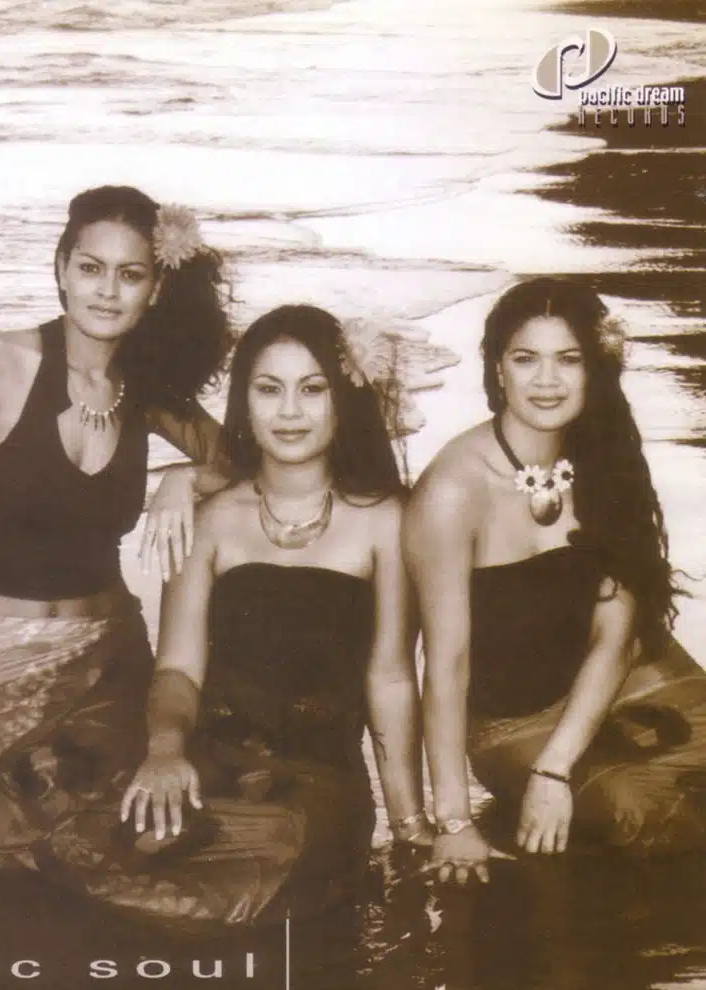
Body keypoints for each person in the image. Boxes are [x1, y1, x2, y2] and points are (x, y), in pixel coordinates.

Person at [25, 304, 433, 930]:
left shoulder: (386, 519)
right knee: (83, 841)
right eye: (269, 389)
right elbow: (179, 670)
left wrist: (410, 826)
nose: (289, 411)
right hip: (210, 764)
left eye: (312, 389)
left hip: (316, 788)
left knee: (245, 882)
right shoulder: (210, 520)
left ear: (343, 398)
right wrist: (166, 752)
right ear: (244, 401)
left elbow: (392, 679)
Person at [0, 185, 233, 857]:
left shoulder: (144, 386)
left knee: (117, 819)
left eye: (130, 274)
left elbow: (243, 462)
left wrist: (186, 478)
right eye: (90, 268)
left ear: (155, 289)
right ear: (61, 270)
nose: (107, 291)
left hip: (107, 658)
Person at [405, 277, 706, 885]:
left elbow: (616, 636)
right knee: (644, 814)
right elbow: (447, 665)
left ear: (595, 367)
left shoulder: (602, 455)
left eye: (568, 359)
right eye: (526, 359)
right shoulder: (453, 490)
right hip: (512, 720)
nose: (547, 380)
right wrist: (454, 821)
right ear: (497, 369)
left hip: (625, 673)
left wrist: (555, 769)